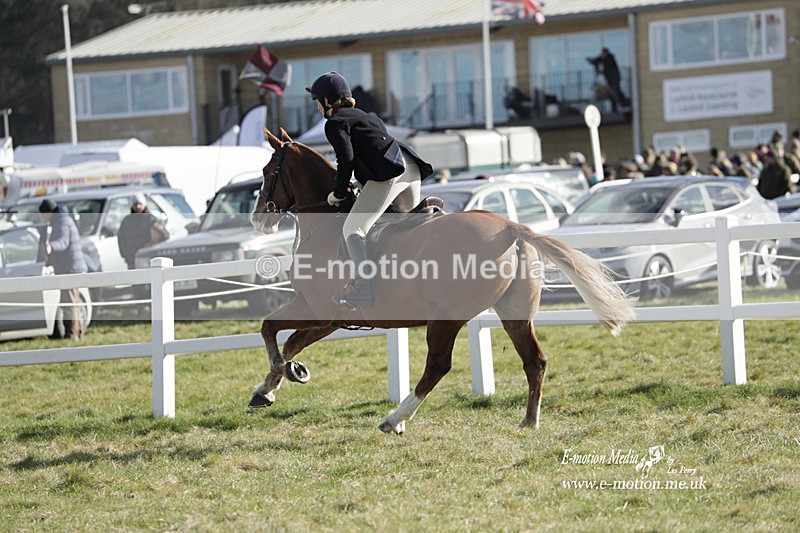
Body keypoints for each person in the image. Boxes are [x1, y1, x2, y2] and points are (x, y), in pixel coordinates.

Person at [306, 71, 433, 309]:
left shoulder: (335, 122)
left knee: (353, 228)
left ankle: (363, 289)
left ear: (326, 100)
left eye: (316, 100)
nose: (315, 106)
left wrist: (339, 193)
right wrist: (360, 185)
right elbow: (370, 153)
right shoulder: (365, 116)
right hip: (410, 166)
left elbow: (346, 160)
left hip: (392, 173)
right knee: (406, 225)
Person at [38, 199, 88, 340]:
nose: (42, 217)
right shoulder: (63, 220)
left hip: (69, 269)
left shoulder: (61, 222)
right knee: (73, 303)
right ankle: (78, 333)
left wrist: (51, 246)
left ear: (48, 212)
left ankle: (71, 334)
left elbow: (63, 242)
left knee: (69, 304)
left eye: (43, 214)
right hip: (72, 267)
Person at [117, 193, 169, 269]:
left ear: (144, 205)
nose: (138, 207)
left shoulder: (151, 219)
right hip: (132, 260)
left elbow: (165, 235)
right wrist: (125, 255)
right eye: (135, 204)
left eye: (140, 204)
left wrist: (152, 244)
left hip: (148, 259)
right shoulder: (126, 221)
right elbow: (121, 239)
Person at [587, 47, 629, 111]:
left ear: (606, 53)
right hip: (610, 80)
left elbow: (605, 64)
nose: (602, 55)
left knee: (615, 93)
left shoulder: (610, 59)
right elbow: (597, 60)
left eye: (603, 53)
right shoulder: (604, 59)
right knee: (613, 93)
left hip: (614, 80)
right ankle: (616, 107)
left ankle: (623, 104)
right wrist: (591, 61)